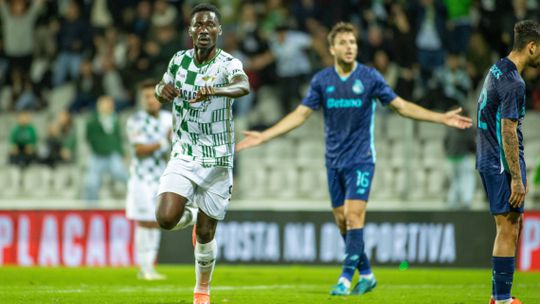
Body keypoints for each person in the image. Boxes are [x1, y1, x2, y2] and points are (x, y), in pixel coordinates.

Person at [236, 22, 472, 296]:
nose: (350, 47)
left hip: (361, 159)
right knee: (341, 221)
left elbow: (402, 106)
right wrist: (265, 135)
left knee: (353, 215)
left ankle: (345, 279)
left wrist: (440, 117)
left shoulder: (369, 77)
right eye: (344, 43)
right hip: (333, 161)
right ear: (332, 48)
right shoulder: (322, 80)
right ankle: (368, 274)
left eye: (353, 43)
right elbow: (300, 115)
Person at [153, 4, 250, 304]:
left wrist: (215, 91)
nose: (204, 30)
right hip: (184, 151)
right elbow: (161, 88)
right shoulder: (179, 61)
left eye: (210, 25)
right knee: (165, 218)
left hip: (218, 158)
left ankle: (202, 289)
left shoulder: (228, 64)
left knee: (206, 235)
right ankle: (191, 213)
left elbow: (243, 85)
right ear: (191, 31)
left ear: (219, 31)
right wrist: (161, 91)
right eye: (199, 25)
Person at [476, 20, 540, 304]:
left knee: (509, 226)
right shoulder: (514, 81)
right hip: (500, 161)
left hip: (487, 156)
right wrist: (516, 176)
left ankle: (497, 296)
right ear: (532, 46)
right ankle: (502, 299)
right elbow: (507, 129)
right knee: (508, 227)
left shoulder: (497, 68)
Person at [126, 80, 172, 280]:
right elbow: (139, 150)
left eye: (153, 95)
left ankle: (148, 267)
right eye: (146, 97)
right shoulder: (136, 121)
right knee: (146, 222)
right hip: (142, 179)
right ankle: (145, 267)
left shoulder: (169, 119)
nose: (150, 100)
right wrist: (164, 141)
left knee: (157, 221)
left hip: (162, 178)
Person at [82, 96, 128, 201]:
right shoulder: (92, 121)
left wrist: (122, 153)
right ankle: (91, 208)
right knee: (91, 182)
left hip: (112, 155)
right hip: (97, 156)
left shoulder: (115, 120)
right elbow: (87, 137)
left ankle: (134, 199)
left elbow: (118, 138)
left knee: (122, 174)